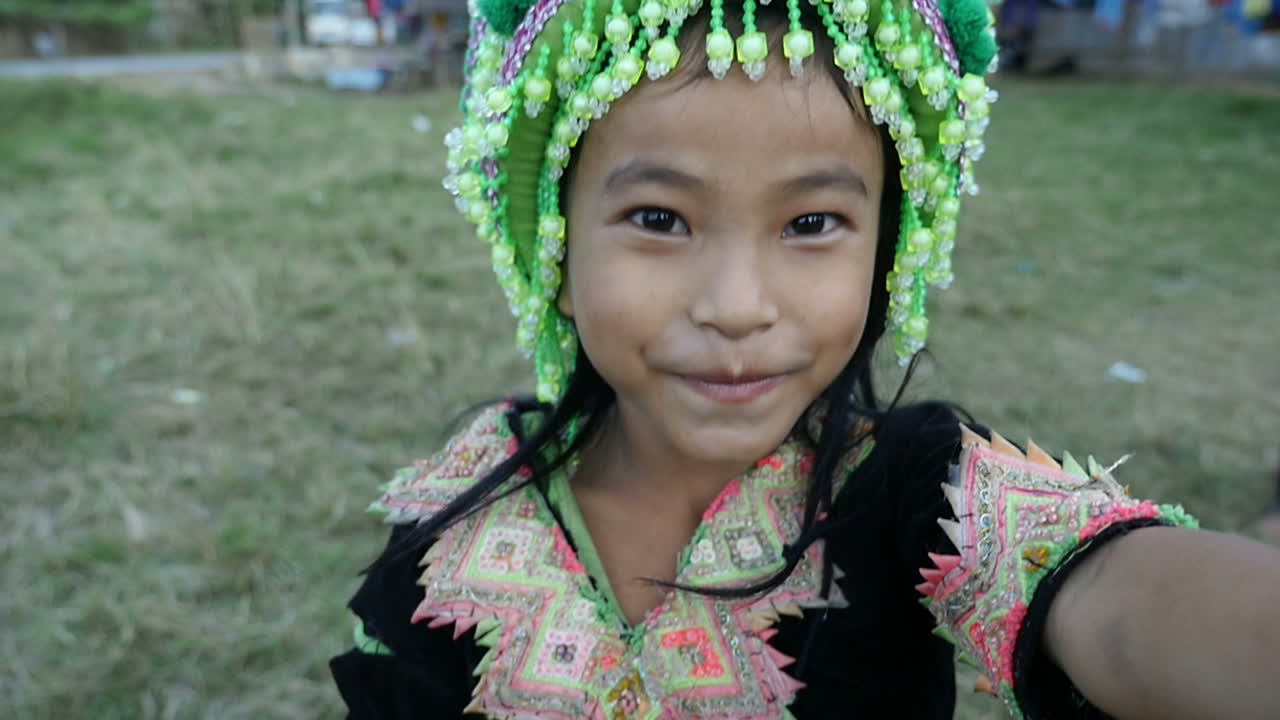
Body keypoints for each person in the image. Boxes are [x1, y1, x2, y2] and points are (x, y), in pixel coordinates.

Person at [328, 0, 1280, 716]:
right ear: (557, 253)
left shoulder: (916, 488)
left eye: (812, 222)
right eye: (658, 219)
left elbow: (1117, 605)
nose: (738, 306)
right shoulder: (452, 531)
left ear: (887, 251)